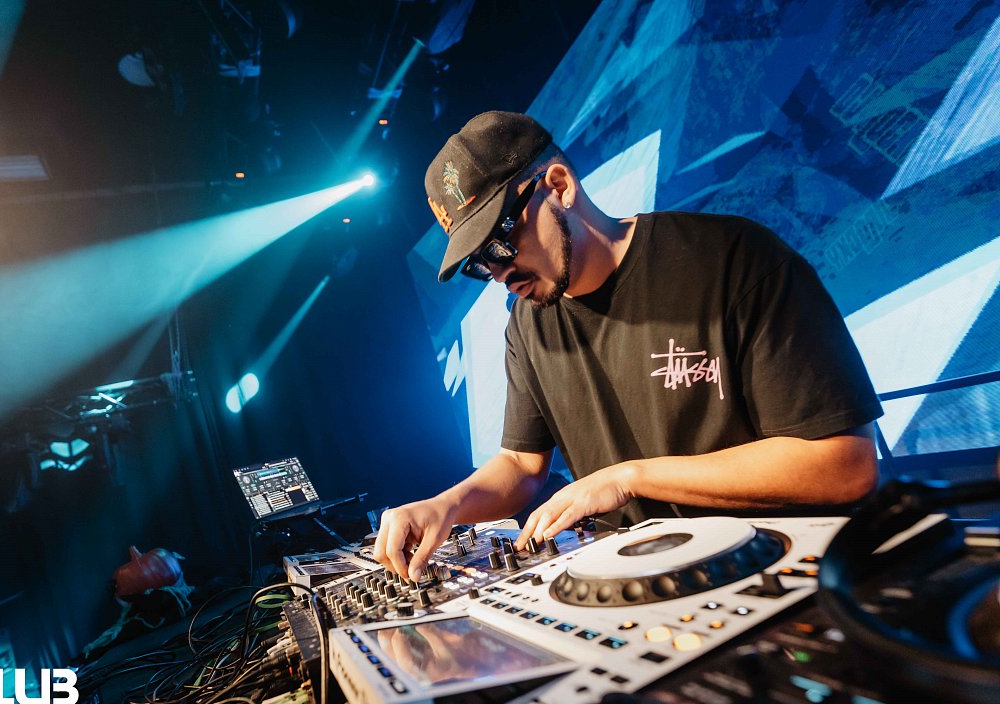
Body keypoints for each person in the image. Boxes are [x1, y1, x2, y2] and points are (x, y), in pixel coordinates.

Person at [375, 111, 883, 582]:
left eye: (499, 243)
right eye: (479, 263)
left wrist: (631, 478)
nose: (499, 273)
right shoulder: (527, 326)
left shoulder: (735, 260)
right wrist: (446, 505)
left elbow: (844, 465)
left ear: (559, 186)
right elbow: (521, 465)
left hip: (778, 570)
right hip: (641, 586)